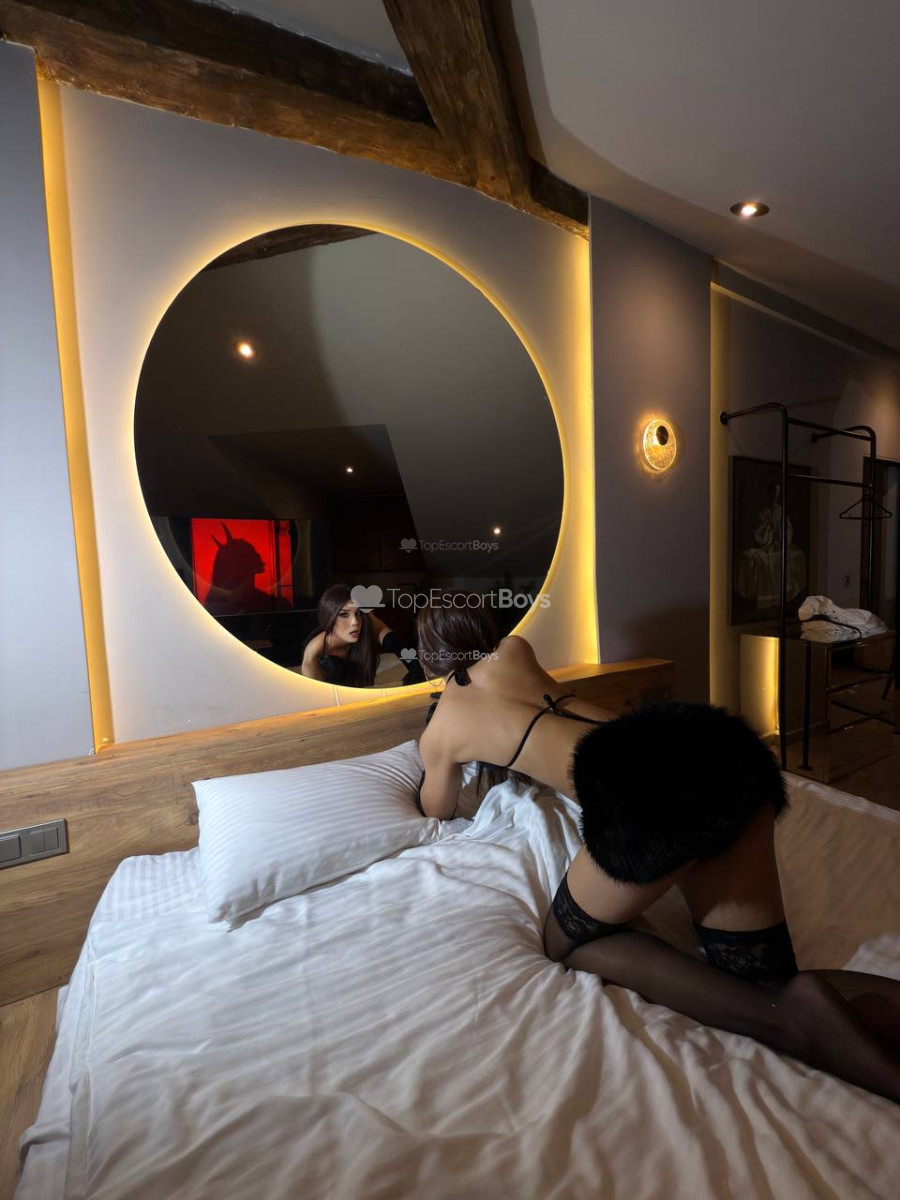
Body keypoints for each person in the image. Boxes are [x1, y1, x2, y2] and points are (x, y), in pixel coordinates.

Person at [415, 596, 900, 1103]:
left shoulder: (443, 726)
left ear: (429, 656)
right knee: (765, 973)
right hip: (715, 745)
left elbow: (435, 809)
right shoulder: (516, 648)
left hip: (644, 793)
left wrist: (437, 751)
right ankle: (794, 999)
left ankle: (785, 1018)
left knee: (564, 944)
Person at [300, 585, 423, 687]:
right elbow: (319, 695)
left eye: (357, 613)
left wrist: (415, 667)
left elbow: (393, 641)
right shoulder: (313, 653)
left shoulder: (365, 619)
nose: (355, 622)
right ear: (330, 618)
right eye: (344, 615)